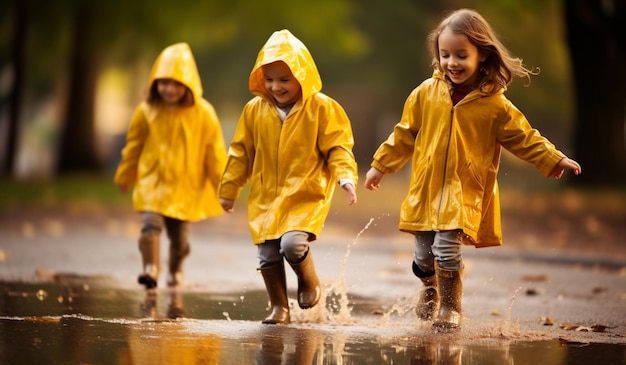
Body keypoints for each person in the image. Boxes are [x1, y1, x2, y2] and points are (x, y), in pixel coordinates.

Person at [364, 9, 581, 330]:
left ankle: (451, 308)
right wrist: (380, 166)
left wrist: (552, 158)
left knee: (446, 249)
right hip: (426, 188)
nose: (452, 62)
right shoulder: (425, 93)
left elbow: (524, 136)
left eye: (461, 55)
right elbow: (404, 134)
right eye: (445, 54)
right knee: (424, 258)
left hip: (463, 190)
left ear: (482, 55)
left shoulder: (495, 104)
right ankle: (430, 288)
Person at [219, 29, 358, 325]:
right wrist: (230, 188)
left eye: (284, 79)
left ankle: (309, 281)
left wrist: (345, 176)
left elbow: (338, 147)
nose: (276, 86)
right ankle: (279, 307)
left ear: (302, 76)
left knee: (291, 245)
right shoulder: (254, 110)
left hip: (305, 193)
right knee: (267, 254)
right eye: (269, 79)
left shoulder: (322, 108)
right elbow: (241, 152)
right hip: (266, 195)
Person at [114, 42, 227, 289]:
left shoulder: (204, 114)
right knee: (149, 226)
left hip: (184, 187)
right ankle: (150, 269)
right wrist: (126, 173)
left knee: (180, 239)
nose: (170, 89)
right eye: (164, 83)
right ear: (155, 82)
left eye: (177, 84)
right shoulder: (146, 111)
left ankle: (175, 270)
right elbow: (133, 145)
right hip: (152, 181)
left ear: (188, 85)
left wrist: (224, 186)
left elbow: (214, 152)